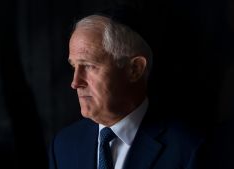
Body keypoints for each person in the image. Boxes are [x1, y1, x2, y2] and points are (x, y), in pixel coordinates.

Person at [48, 8, 203, 169]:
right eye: (74, 66)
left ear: (134, 69)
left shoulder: (189, 150)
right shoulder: (62, 146)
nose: (75, 82)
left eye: (89, 66)